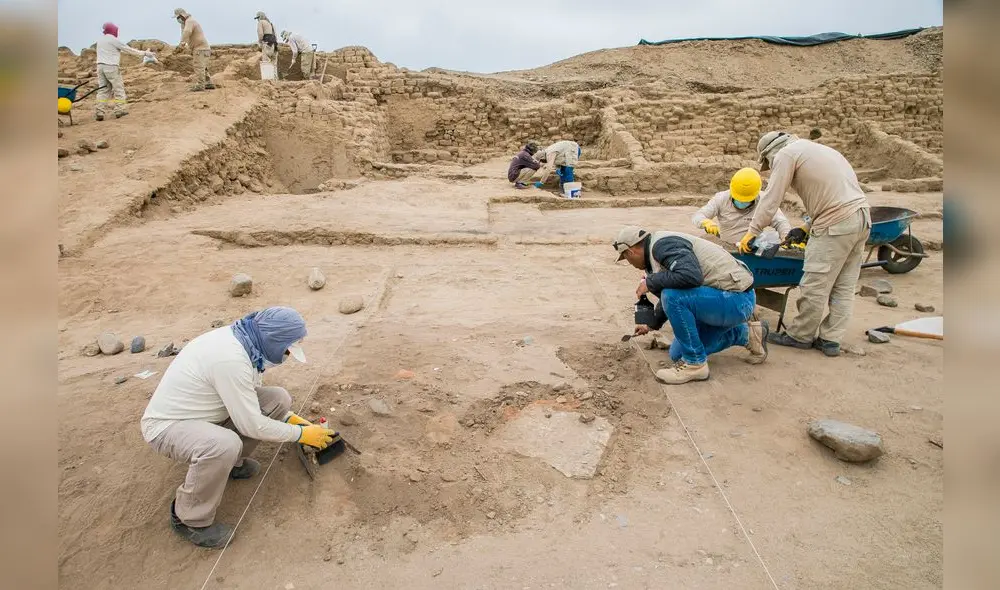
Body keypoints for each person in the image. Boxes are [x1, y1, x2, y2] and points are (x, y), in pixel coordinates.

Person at [140, 307, 336, 548]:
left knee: (278, 399)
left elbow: (249, 400)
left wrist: (290, 419)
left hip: (210, 412)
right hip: (169, 427)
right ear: (273, 341)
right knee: (224, 445)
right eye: (286, 349)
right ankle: (190, 518)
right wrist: (301, 434)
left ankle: (230, 465)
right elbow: (251, 424)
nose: (286, 355)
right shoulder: (230, 358)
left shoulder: (248, 341)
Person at [737, 132, 871, 357]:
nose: (770, 166)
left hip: (835, 223)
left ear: (770, 153)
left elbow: (771, 198)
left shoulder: (786, 154)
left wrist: (752, 232)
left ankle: (800, 336)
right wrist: (806, 229)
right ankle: (830, 340)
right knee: (844, 286)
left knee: (814, 282)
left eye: (768, 163)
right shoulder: (820, 150)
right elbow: (837, 195)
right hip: (862, 219)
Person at [614, 226, 769, 384]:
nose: (629, 262)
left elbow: (690, 276)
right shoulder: (655, 256)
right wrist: (652, 324)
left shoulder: (662, 246)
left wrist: (650, 282)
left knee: (672, 296)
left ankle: (695, 364)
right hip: (720, 300)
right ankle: (747, 335)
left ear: (630, 251)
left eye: (626, 257)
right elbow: (677, 289)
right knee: (677, 354)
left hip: (738, 299)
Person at [692, 167, 792, 245]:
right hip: (727, 249)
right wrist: (706, 222)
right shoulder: (721, 198)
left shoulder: (764, 201)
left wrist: (786, 238)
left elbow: (781, 222)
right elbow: (698, 216)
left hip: (753, 248)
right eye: (738, 198)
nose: (741, 202)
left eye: (746, 200)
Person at [94, 22, 154, 121]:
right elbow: (128, 50)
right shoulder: (113, 40)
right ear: (113, 30)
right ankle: (119, 110)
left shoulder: (100, 40)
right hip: (111, 67)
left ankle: (99, 112)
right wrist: (145, 53)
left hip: (100, 66)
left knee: (103, 89)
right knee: (118, 88)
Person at [173, 8, 215, 91]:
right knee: (203, 67)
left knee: (198, 66)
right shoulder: (186, 23)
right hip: (202, 49)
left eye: (178, 17)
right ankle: (208, 83)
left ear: (182, 15)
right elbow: (184, 33)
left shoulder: (190, 21)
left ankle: (200, 85)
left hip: (200, 49)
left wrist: (181, 44)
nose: (177, 20)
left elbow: (187, 32)